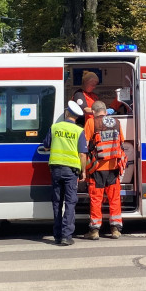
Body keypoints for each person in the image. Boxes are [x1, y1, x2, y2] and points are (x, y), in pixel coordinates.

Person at [42, 101, 88, 246]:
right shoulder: (78, 131)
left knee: (57, 202)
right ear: (77, 117)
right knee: (70, 202)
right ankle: (66, 236)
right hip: (71, 171)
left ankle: (57, 235)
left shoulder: (55, 127)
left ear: (67, 113)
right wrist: (83, 171)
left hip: (56, 170)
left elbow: (46, 146)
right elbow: (82, 154)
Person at [83, 101, 127, 240]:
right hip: (114, 167)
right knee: (114, 199)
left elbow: (85, 145)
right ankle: (115, 229)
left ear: (93, 112)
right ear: (105, 111)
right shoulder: (116, 122)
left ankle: (95, 231)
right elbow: (121, 142)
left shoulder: (91, 122)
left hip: (97, 168)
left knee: (96, 199)